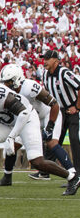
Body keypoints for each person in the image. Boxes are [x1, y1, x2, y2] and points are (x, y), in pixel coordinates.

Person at [0, 68, 80, 197]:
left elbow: (23, 112)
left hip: (27, 119)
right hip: (6, 123)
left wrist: (11, 137)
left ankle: (72, 177)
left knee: (37, 161)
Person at [0, 63, 76, 186]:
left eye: (8, 82)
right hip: (31, 119)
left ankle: (73, 174)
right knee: (13, 145)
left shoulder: (30, 87)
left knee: (51, 143)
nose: (5, 85)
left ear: (16, 80)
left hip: (48, 115)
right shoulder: (7, 93)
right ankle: (7, 176)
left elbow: (54, 105)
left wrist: (50, 125)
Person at [42, 50, 80, 178]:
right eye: (44, 58)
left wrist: (77, 107)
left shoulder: (64, 72)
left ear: (56, 61)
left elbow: (79, 87)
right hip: (58, 112)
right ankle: (45, 170)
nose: (44, 61)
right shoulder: (45, 75)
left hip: (71, 110)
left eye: (47, 59)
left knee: (74, 140)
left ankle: (78, 173)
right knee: (53, 141)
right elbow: (47, 93)